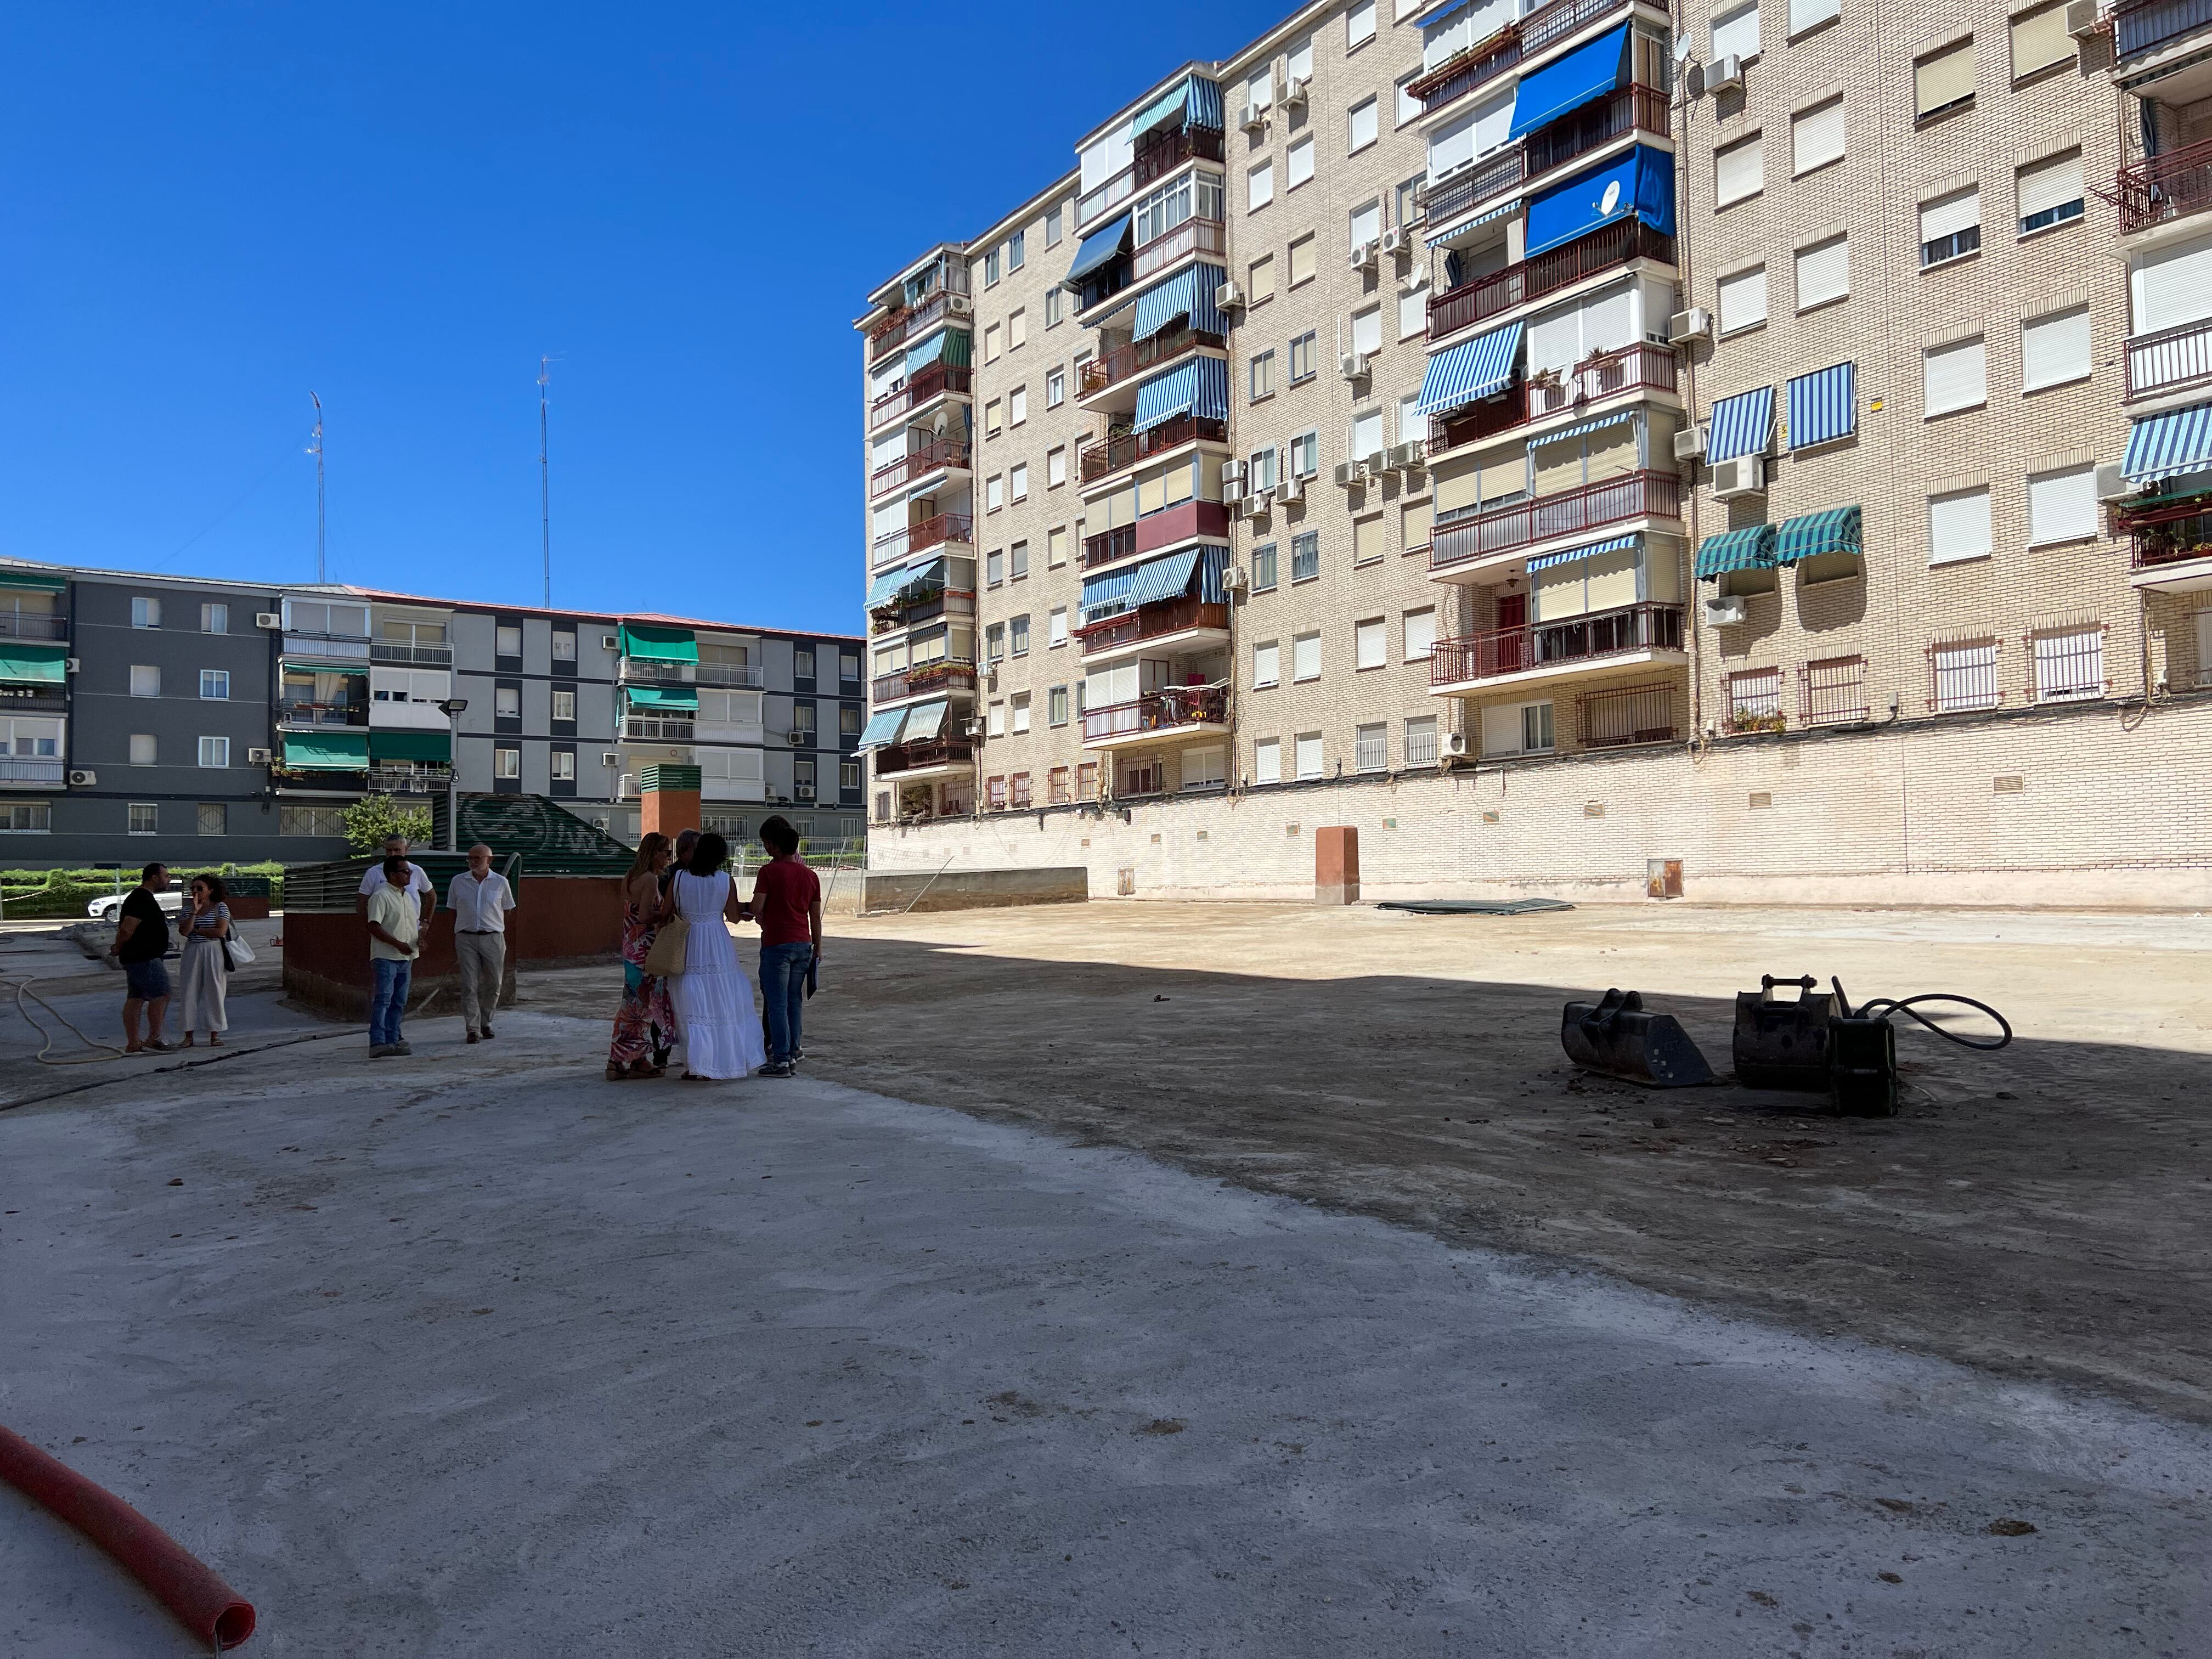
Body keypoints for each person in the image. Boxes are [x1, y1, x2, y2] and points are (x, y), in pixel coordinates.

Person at [664, 831, 765, 1081]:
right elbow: (731, 916)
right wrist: (743, 914)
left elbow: (667, 911)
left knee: (690, 1003)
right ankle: (718, 1062)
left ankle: (694, 1064)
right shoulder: (725, 880)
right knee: (721, 1001)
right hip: (717, 943)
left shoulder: (678, 878)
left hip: (688, 942)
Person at [745, 815, 822, 1079]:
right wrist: (818, 948)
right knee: (794, 1001)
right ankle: (793, 1051)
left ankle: (781, 1061)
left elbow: (756, 907)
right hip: (803, 944)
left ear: (777, 846)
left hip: (776, 943)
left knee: (776, 1003)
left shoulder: (768, 872)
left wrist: (751, 913)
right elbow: (815, 917)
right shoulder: (811, 876)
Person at [607, 832, 678, 1080]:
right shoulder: (649, 880)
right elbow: (645, 916)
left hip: (631, 947)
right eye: (667, 852)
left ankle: (632, 1059)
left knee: (634, 1005)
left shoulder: (630, 877)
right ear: (655, 853)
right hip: (644, 950)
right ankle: (619, 1060)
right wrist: (668, 914)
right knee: (639, 1007)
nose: (670, 857)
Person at [447, 843, 515, 1045]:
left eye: (479, 858)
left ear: (490, 860)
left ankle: (486, 1022)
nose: (474, 862)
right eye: (471, 858)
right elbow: (453, 909)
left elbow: (507, 909)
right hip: (466, 938)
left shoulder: (501, 883)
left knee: (494, 983)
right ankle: (473, 1029)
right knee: (469, 984)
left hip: (493, 938)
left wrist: (491, 923)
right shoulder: (458, 882)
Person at [107, 861, 172, 1054]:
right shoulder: (141, 898)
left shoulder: (141, 897)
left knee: (136, 998)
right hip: (145, 957)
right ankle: (154, 1039)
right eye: (166, 876)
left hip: (140, 957)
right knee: (161, 995)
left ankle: (134, 1043)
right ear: (154, 877)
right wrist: (119, 946)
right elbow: (127, 927)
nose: (168, 879)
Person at [364, 854, 421, 1058]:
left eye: (410, 871)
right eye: (405, 872)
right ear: (392, 875)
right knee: (384, 999)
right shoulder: (381, 896)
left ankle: (394, 1037)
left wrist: (418, 939)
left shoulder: (407, 897)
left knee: (399, 1001)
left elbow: (409, 925)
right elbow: (373, 926)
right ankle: (377, 1041)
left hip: (406, 957)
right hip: (386, 956)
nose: (409, 875)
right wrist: (397, 944)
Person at [177, 873, 232, 1047]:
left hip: (213, 950)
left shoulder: (220, 907)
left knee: (215, 991)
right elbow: (185, 931)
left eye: (200, 888)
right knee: (189, 991)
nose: (195, 891)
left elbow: (220, 932)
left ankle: (215, 1034)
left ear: (210, 891)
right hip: (192, 950)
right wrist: (194, 912)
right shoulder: (187, 909)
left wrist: (198, 930)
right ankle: (188, 1036)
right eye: (192, 888)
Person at [357, 834, 435, 927]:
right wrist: (371, 928)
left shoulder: (416, 871)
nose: (392, 854)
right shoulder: (374, 873)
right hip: (384, 931)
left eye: (397, 850)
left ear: (406, 849)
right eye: (389, 850)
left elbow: (432, 896)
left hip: (412, 930)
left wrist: (426, 922)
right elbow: (361, 903)